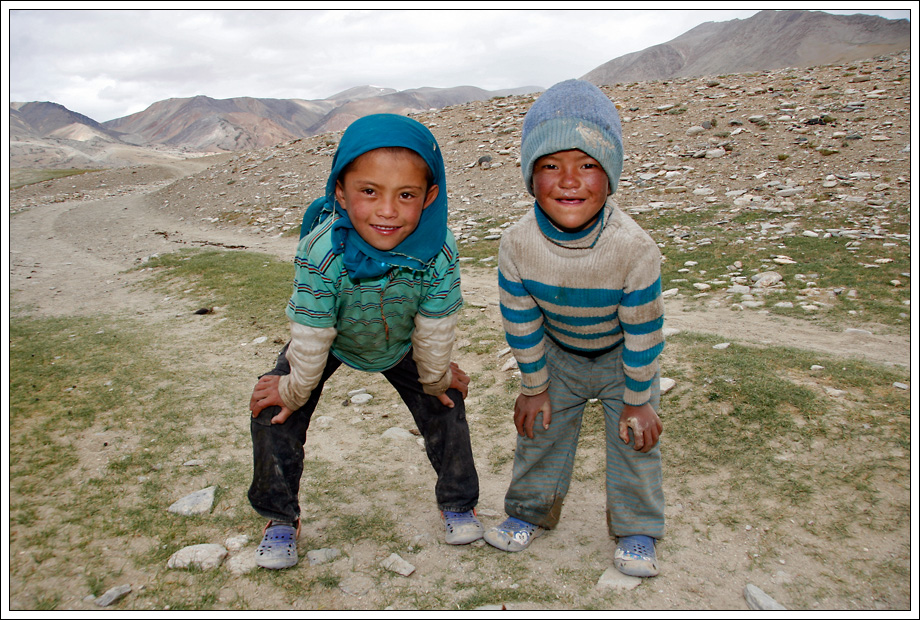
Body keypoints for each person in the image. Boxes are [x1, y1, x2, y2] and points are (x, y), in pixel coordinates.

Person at [247, 114, 482, 570]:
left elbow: (434, 325)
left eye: (407, 195)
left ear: (430, 197)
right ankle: (279, 517)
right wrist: (292, 389)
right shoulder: (321, 251)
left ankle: (458, 502)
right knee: (272, 407)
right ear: (340, 190)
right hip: (330, 340)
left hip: (401, 340)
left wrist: (436, 379)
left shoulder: (439, 250)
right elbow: (313, 334)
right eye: (369, 191)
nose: (387, 210)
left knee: (447, 401)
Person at [483, 80, 666, 578]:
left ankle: (638, 529)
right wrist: (535, 386)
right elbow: (520, 320)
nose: (569, 181)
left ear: (610, 177)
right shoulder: (518, 243)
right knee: (537, 432)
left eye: (587, 165)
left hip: (621, 357)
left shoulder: (634, 247)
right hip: (557, 354)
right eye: (550, 166)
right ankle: (528, 513)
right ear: (529, 177)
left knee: (636, 439)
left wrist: (637, 396)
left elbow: (645, 330)